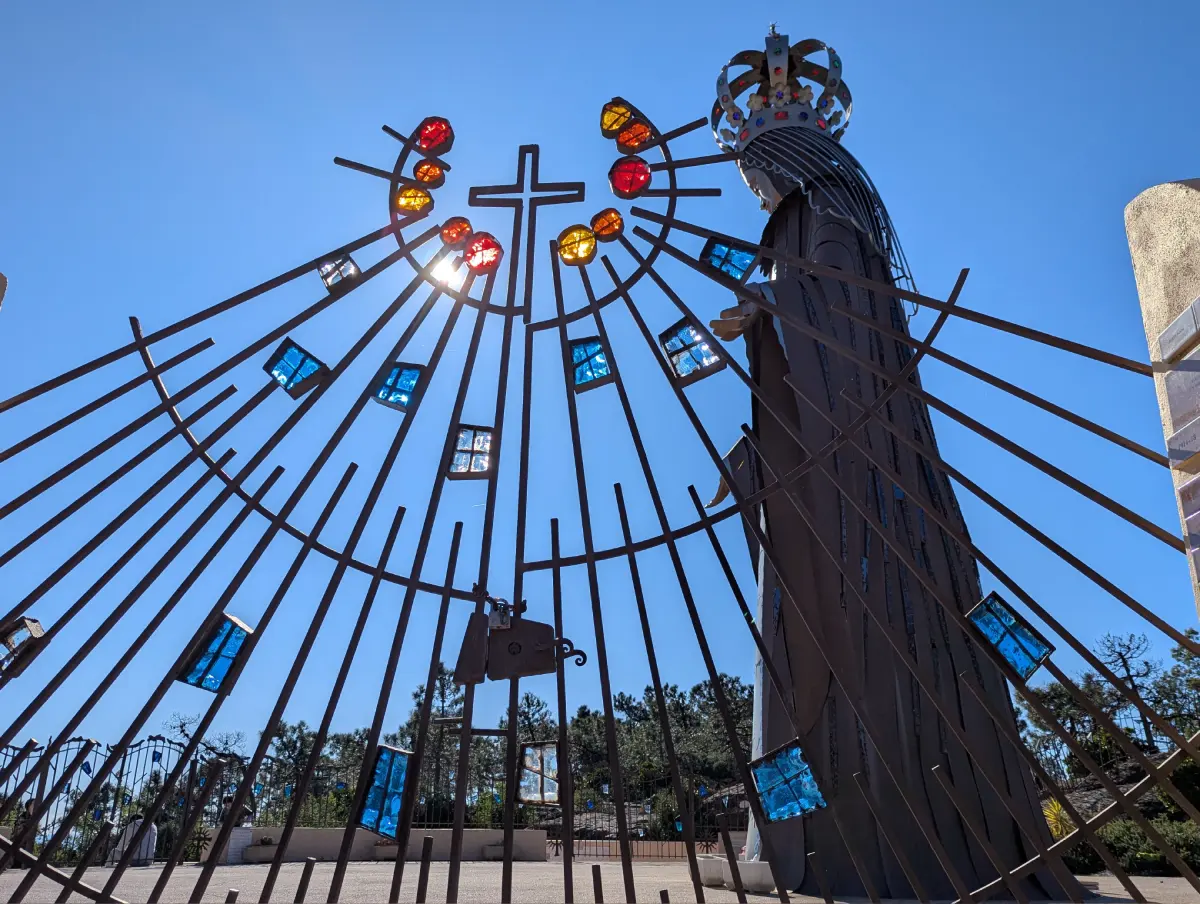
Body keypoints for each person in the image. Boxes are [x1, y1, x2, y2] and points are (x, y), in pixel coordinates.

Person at [10, 799, 36, 868]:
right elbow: (17, 831)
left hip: (27, 846)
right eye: (33, 804)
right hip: (19, 845)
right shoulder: (23, 816)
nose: (36, 806)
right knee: (17, 865)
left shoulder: (33, 817)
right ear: (28, 807)